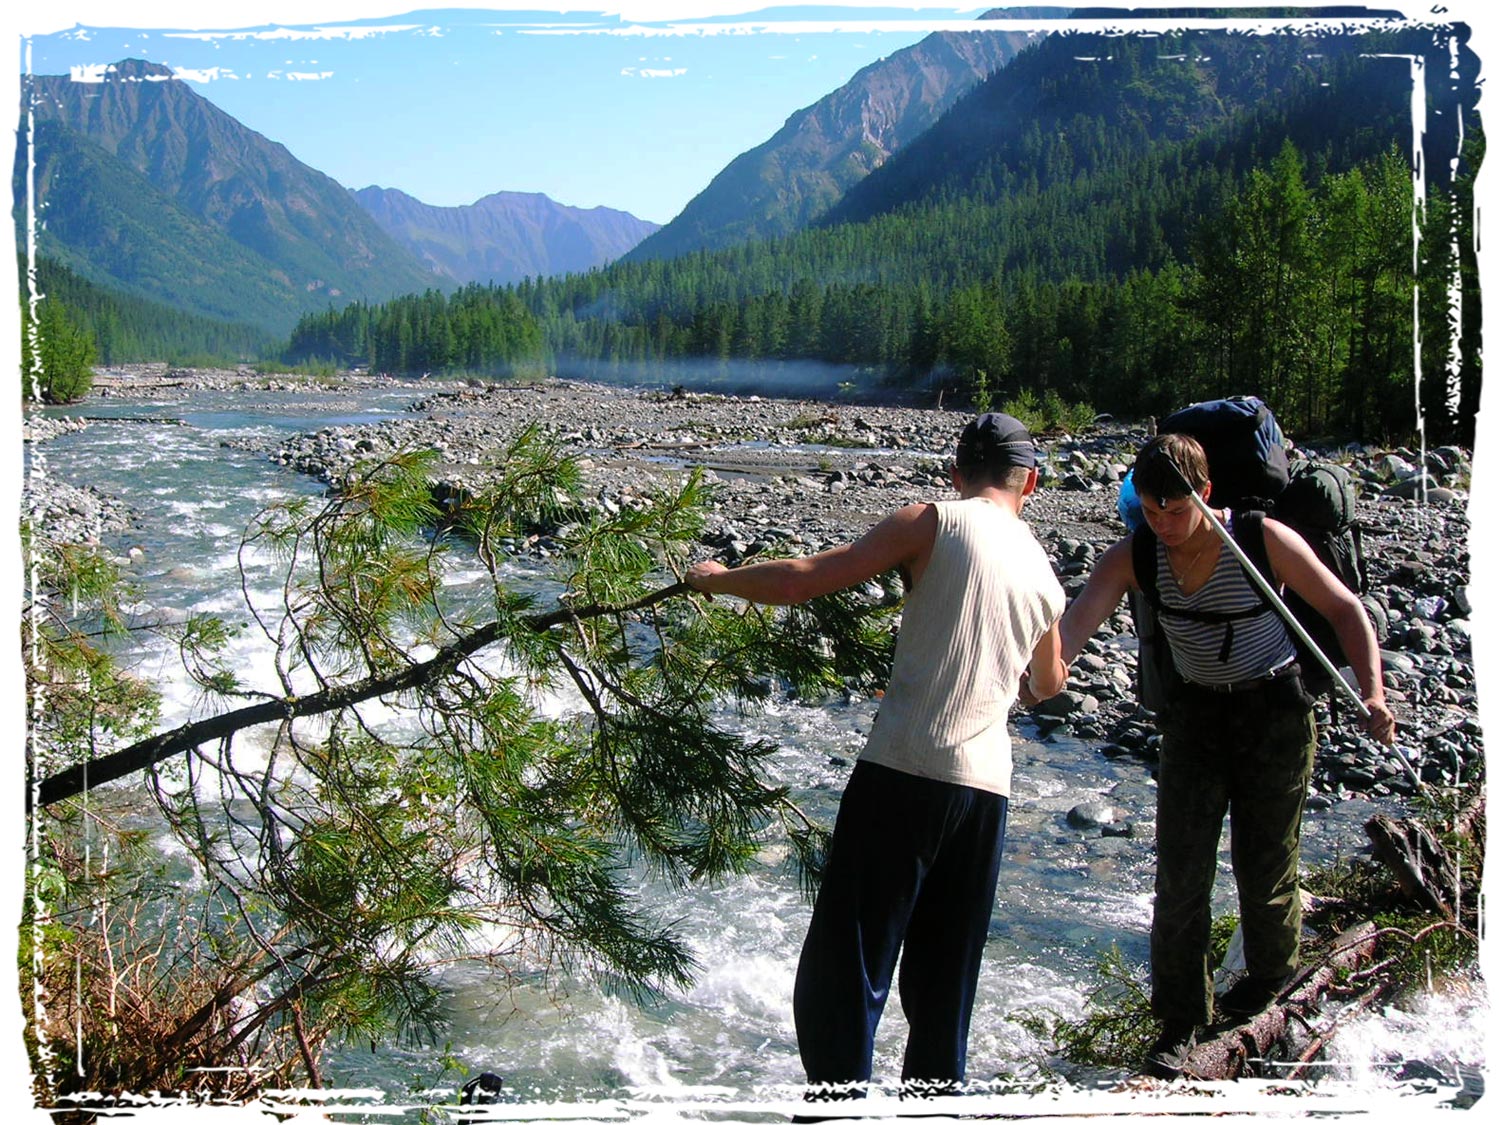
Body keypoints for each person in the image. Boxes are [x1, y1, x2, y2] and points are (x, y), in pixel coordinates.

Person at [685, 412, 1067, 1102]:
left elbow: (804, 579)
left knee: (844, 975)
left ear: (957, 473)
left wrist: (717, 578)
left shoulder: (932, 521)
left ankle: (837, 1112)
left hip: (904, 770)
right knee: (943, 993)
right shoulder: (1044, 574)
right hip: (986, 795)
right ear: (1029, 483)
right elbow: (1048, 683)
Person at [1046, 432, 1396, 1080]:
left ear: (1205, 495)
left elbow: (1345, 609)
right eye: (1151, 512)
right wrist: (1052, 664)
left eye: (1176, 510)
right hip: (1195, 719)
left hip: (1275, 713)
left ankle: (1268, 986)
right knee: (1180, 875)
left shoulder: (1262, 540)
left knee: (1265, 867)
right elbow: (1078, 619)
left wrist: (1371, 692)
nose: (1165, 525)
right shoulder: (1140, 553)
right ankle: (1180, 1020)